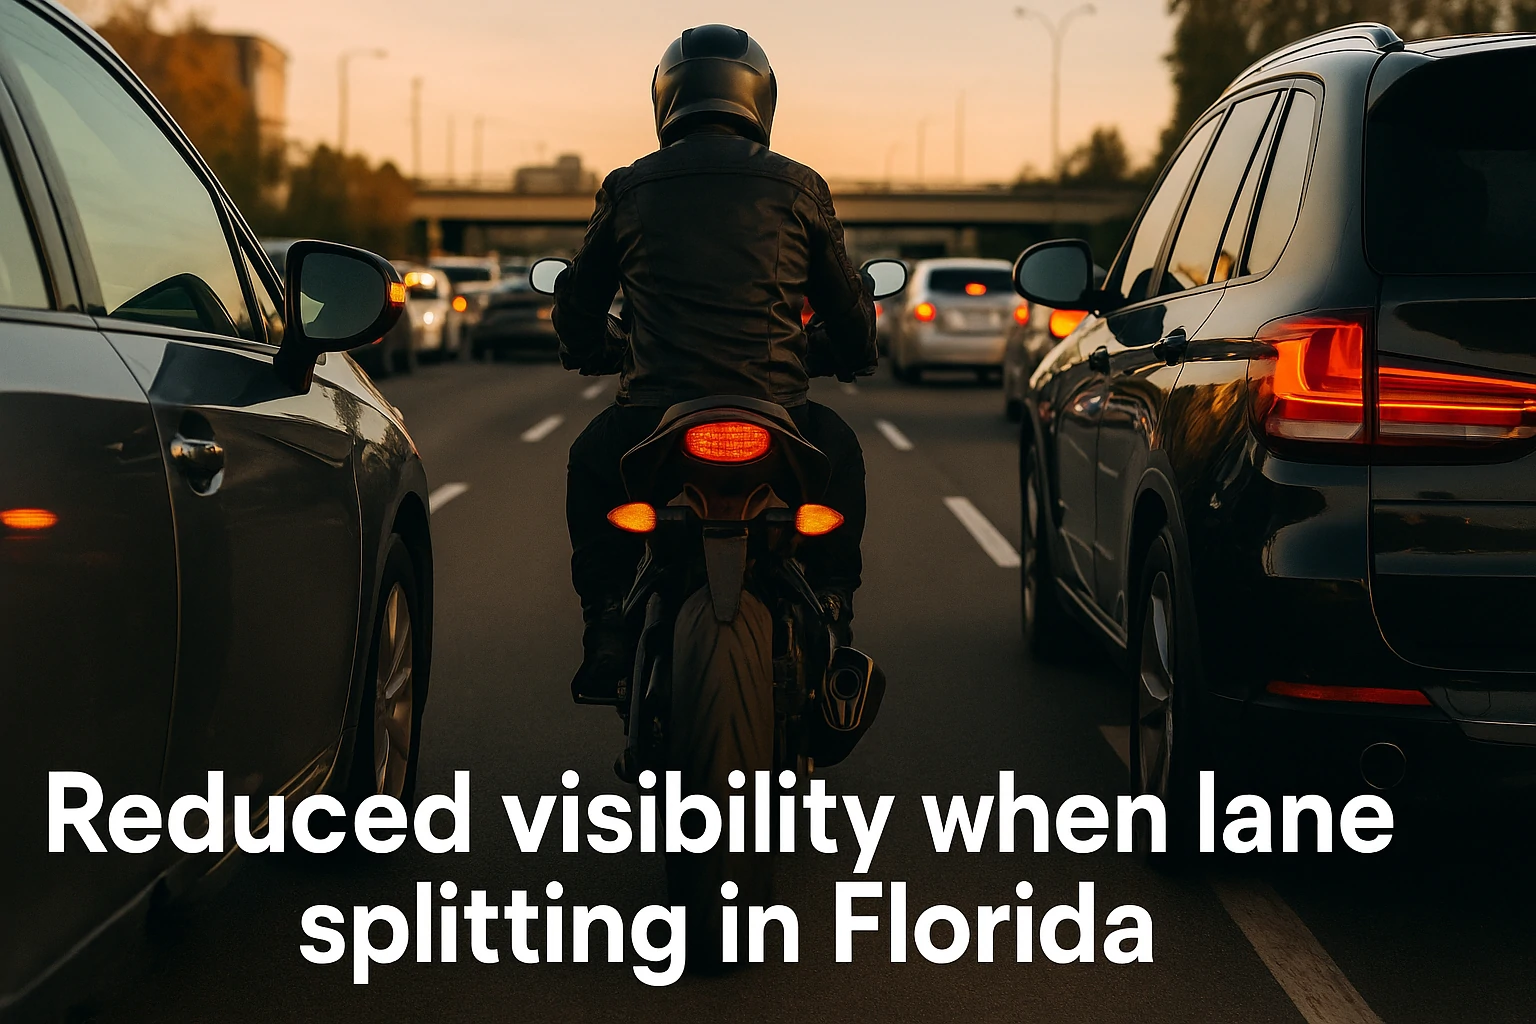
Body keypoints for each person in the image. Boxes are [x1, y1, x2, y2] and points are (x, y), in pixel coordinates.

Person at [554, 24, 877, 703]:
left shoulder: (628, 187)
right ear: (760, 98)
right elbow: (847, 312)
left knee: (590, 462)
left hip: (652, 415)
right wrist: (848, 354)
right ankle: (834, 608)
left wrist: (590, 352)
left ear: (666, 99)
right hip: (778, 411)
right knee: (840, 452)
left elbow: (580, 306)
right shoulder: (800, 187)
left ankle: (606, 625)